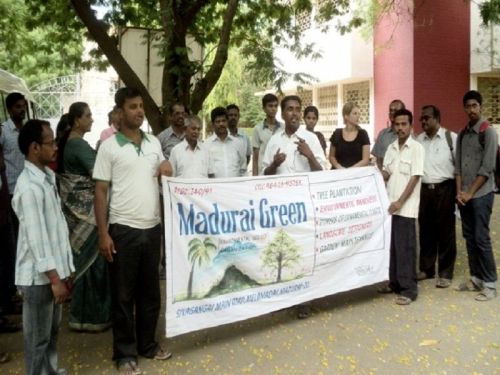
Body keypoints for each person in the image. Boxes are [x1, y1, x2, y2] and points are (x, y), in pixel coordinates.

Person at [93, 87, 172, 375]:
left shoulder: (153, 143)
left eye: (141, 106)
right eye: (133, 107)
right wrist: (103, 233)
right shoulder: (109, 147)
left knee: (151, 293)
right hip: (123, 230)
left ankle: (148, 346)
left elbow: (165, 171)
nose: (139, 111)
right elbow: (100, 192)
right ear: (119, 111)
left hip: (152, 230)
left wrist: (166, 166)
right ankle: (124, 353)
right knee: (123, 296)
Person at [13, 119, 75, 375]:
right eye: (51, 142)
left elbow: (56, 232)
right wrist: (54, 278)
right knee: (37, 339)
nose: (56, 147)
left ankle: (49, 371)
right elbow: (38, 240)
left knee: (50, 333)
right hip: (38, 278)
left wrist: (65, 270)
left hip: (52, 275)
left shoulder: (46, 179)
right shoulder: (29, 187)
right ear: (34, 148)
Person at [262, 95, 325, 318]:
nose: (295, 113)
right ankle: (285, 296)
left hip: (305, 208)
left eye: (298, 109)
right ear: (282, 113)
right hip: (280, 207)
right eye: (290, 109)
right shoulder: (274, 140)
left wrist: (309, 156)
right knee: (283, 250)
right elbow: (264, 175)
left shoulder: (311, 139)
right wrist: (274, 164)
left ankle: (305, 300)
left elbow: (322, 173)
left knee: (304, 251)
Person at [57, 102, 111, 332]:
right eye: (88, 116)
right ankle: (93, 318)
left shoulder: (69, 142)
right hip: (86, 215)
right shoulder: (78, 145)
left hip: (76, 216)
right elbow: (99, 172)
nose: (92, 119)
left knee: (84, 264)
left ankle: (81, 316)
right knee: (94, 264)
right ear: (77, 120)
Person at [455, 90, 498, 301]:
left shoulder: (487, 131)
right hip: (465, 196)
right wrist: (460, 193)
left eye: (474, 106)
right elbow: (458, 167)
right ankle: (476, 278)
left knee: (481, 238)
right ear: (464, 108)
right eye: (468, 106)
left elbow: (488, 167)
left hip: (482, 194)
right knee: (469, 238)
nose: (471, 109)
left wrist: (470, 193)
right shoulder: (462, 134)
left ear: (480, 107)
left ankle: (490, 283)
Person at [378, 109, 424, 305]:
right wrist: (376, 174)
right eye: (397, 124)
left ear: (410, 126)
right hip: (390, 206)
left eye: (404, 124)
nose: (400, 128)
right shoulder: (391, 148)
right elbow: (387, 173)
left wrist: (400, 202)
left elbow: (415, 178)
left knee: (406, 248)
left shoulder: (417, 148)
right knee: (393, 247)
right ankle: (394, 283)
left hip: (405, 207)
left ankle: (409, 289)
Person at [416, 105, 457, 288]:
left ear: (437, 118)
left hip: (445, 189)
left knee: (445, 231)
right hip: (424, 190)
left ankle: (446, 272)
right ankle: (427, 269)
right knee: (426, 230)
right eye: (421, 119)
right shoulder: (419, 140)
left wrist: (459, 193)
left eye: (427, 118)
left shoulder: (451, 138)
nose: (423, 121)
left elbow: (459, 168)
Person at [0, 92, 27, 317]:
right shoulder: (3, 131)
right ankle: (14, 290)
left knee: (24, 239)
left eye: (24, 106)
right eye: (18, 107)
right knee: (13, 242)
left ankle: (19, 288)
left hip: (25, 192)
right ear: (10, 109)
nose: (22, 110)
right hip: (8, 194)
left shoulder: (27, 131)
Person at [206, 107, 247, 178]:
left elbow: (243, 168)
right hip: (215, 187)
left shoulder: (238, 143)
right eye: (218, 122)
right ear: (213, 124)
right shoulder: (206, 145)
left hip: (235, 187)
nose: (221, 124)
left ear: (227, 122)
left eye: (223, 121)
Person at [329, 102, 370, 169]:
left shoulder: (363, 134)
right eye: (355, 113)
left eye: (359, 114)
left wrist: (350, 170)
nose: (358, 116)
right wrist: (338, 167)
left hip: (356, 174)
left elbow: (365, 160)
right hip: (338, 173)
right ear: (346, 116)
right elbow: (331, 156)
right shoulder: (337, 133)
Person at [252, 93, 282, 175]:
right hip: (263, 173)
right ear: (264, 109)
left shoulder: (283, 128)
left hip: (280, 172)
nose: (273, 109)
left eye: (276, 106)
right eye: (270, 106)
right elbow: (255, 157)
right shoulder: (257, 129)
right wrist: (254, 178)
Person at [372, 99, 406, 170]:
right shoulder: (382, 134)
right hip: (384, 177)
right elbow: (378, 158)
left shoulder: (409, 136)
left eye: (395, 111)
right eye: (391, 110)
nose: (392, 113)